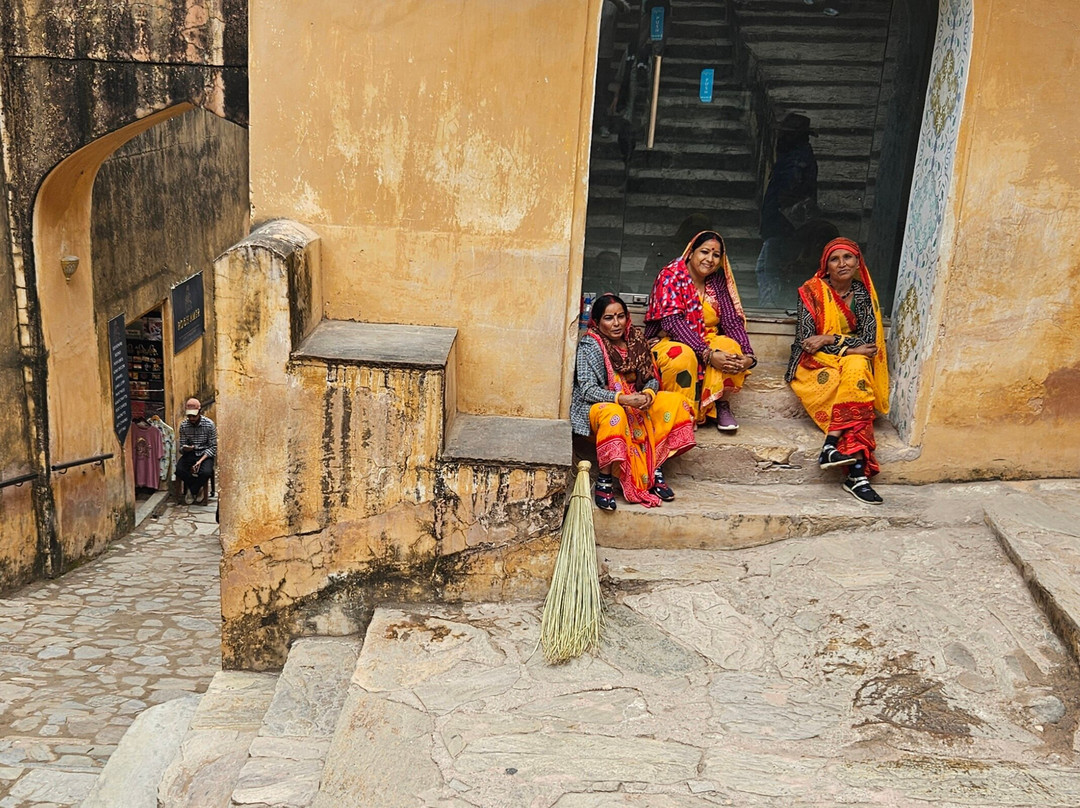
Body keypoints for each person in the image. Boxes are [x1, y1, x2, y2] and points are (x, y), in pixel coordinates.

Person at [785, 238, 889, 504]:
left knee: (857, 371)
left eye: (848, 258)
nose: (842, 263)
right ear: (826, 266)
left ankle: (831, 446)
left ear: (857, 263)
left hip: (843, 358)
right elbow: (807, 342)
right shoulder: (811, 291)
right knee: (856, 377)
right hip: (814, 364)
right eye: (835, 259)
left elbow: (870, 342)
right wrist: (849, 349)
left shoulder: (863, 294)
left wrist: (831, 339)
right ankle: (857, 475)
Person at [571, 294, 696, 510]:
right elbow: (587, 390)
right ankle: (605, 479)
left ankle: (654, 466)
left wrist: (648, 392)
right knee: (615, 414)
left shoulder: (635, 339)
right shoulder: (590, 345)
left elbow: (650, 378)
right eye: (609, 318)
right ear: (598, 321)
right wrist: (623, 399)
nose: (616, 323)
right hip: (600, 406)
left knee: (675, 402)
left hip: (636, 401)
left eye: (620, 316)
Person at [644, 231, 756, 431]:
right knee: (681, 356)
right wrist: (706, 353)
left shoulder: (717, 281)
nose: (710, 259)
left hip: (707, 338)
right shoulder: (671, 276)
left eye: (716, 255)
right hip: (669, 339)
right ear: (691, 252)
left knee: (730, 347)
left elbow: (731, 321)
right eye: (704, 252)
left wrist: (748, 356)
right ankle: (682, 413)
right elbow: (672, 322)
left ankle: (718, 404)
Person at [755, 113, 819, 308]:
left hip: (784, 226)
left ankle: (770, 306)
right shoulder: (793, 157)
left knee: (768, 269)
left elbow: (789, 196)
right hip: (781, 226)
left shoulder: (797, 161)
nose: (782, 137)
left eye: (787, 133)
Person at [176, 397, 217, 505]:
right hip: (190, 453)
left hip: (205, 454)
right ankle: (197, 487)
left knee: (206, 472)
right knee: (179, 470)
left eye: (194, 416)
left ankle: (192, 490)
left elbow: (213, 447)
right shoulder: (184, 426)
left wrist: (200, 461)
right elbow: (181, 446)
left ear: (200, 412)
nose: (192, 418)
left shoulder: (209, 425)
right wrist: (185, 448)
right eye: (189, 416)